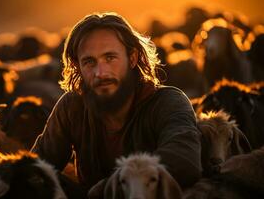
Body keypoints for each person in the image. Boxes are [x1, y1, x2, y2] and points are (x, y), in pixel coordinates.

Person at [31, 12, 201, 193]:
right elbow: (36, 167)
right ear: (77, 66)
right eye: (89, 62)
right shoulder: (72, 107)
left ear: (133, 58)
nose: (100, 73)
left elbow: (184, 161)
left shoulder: (168, 102)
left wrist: (107, 189)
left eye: (110, 58)